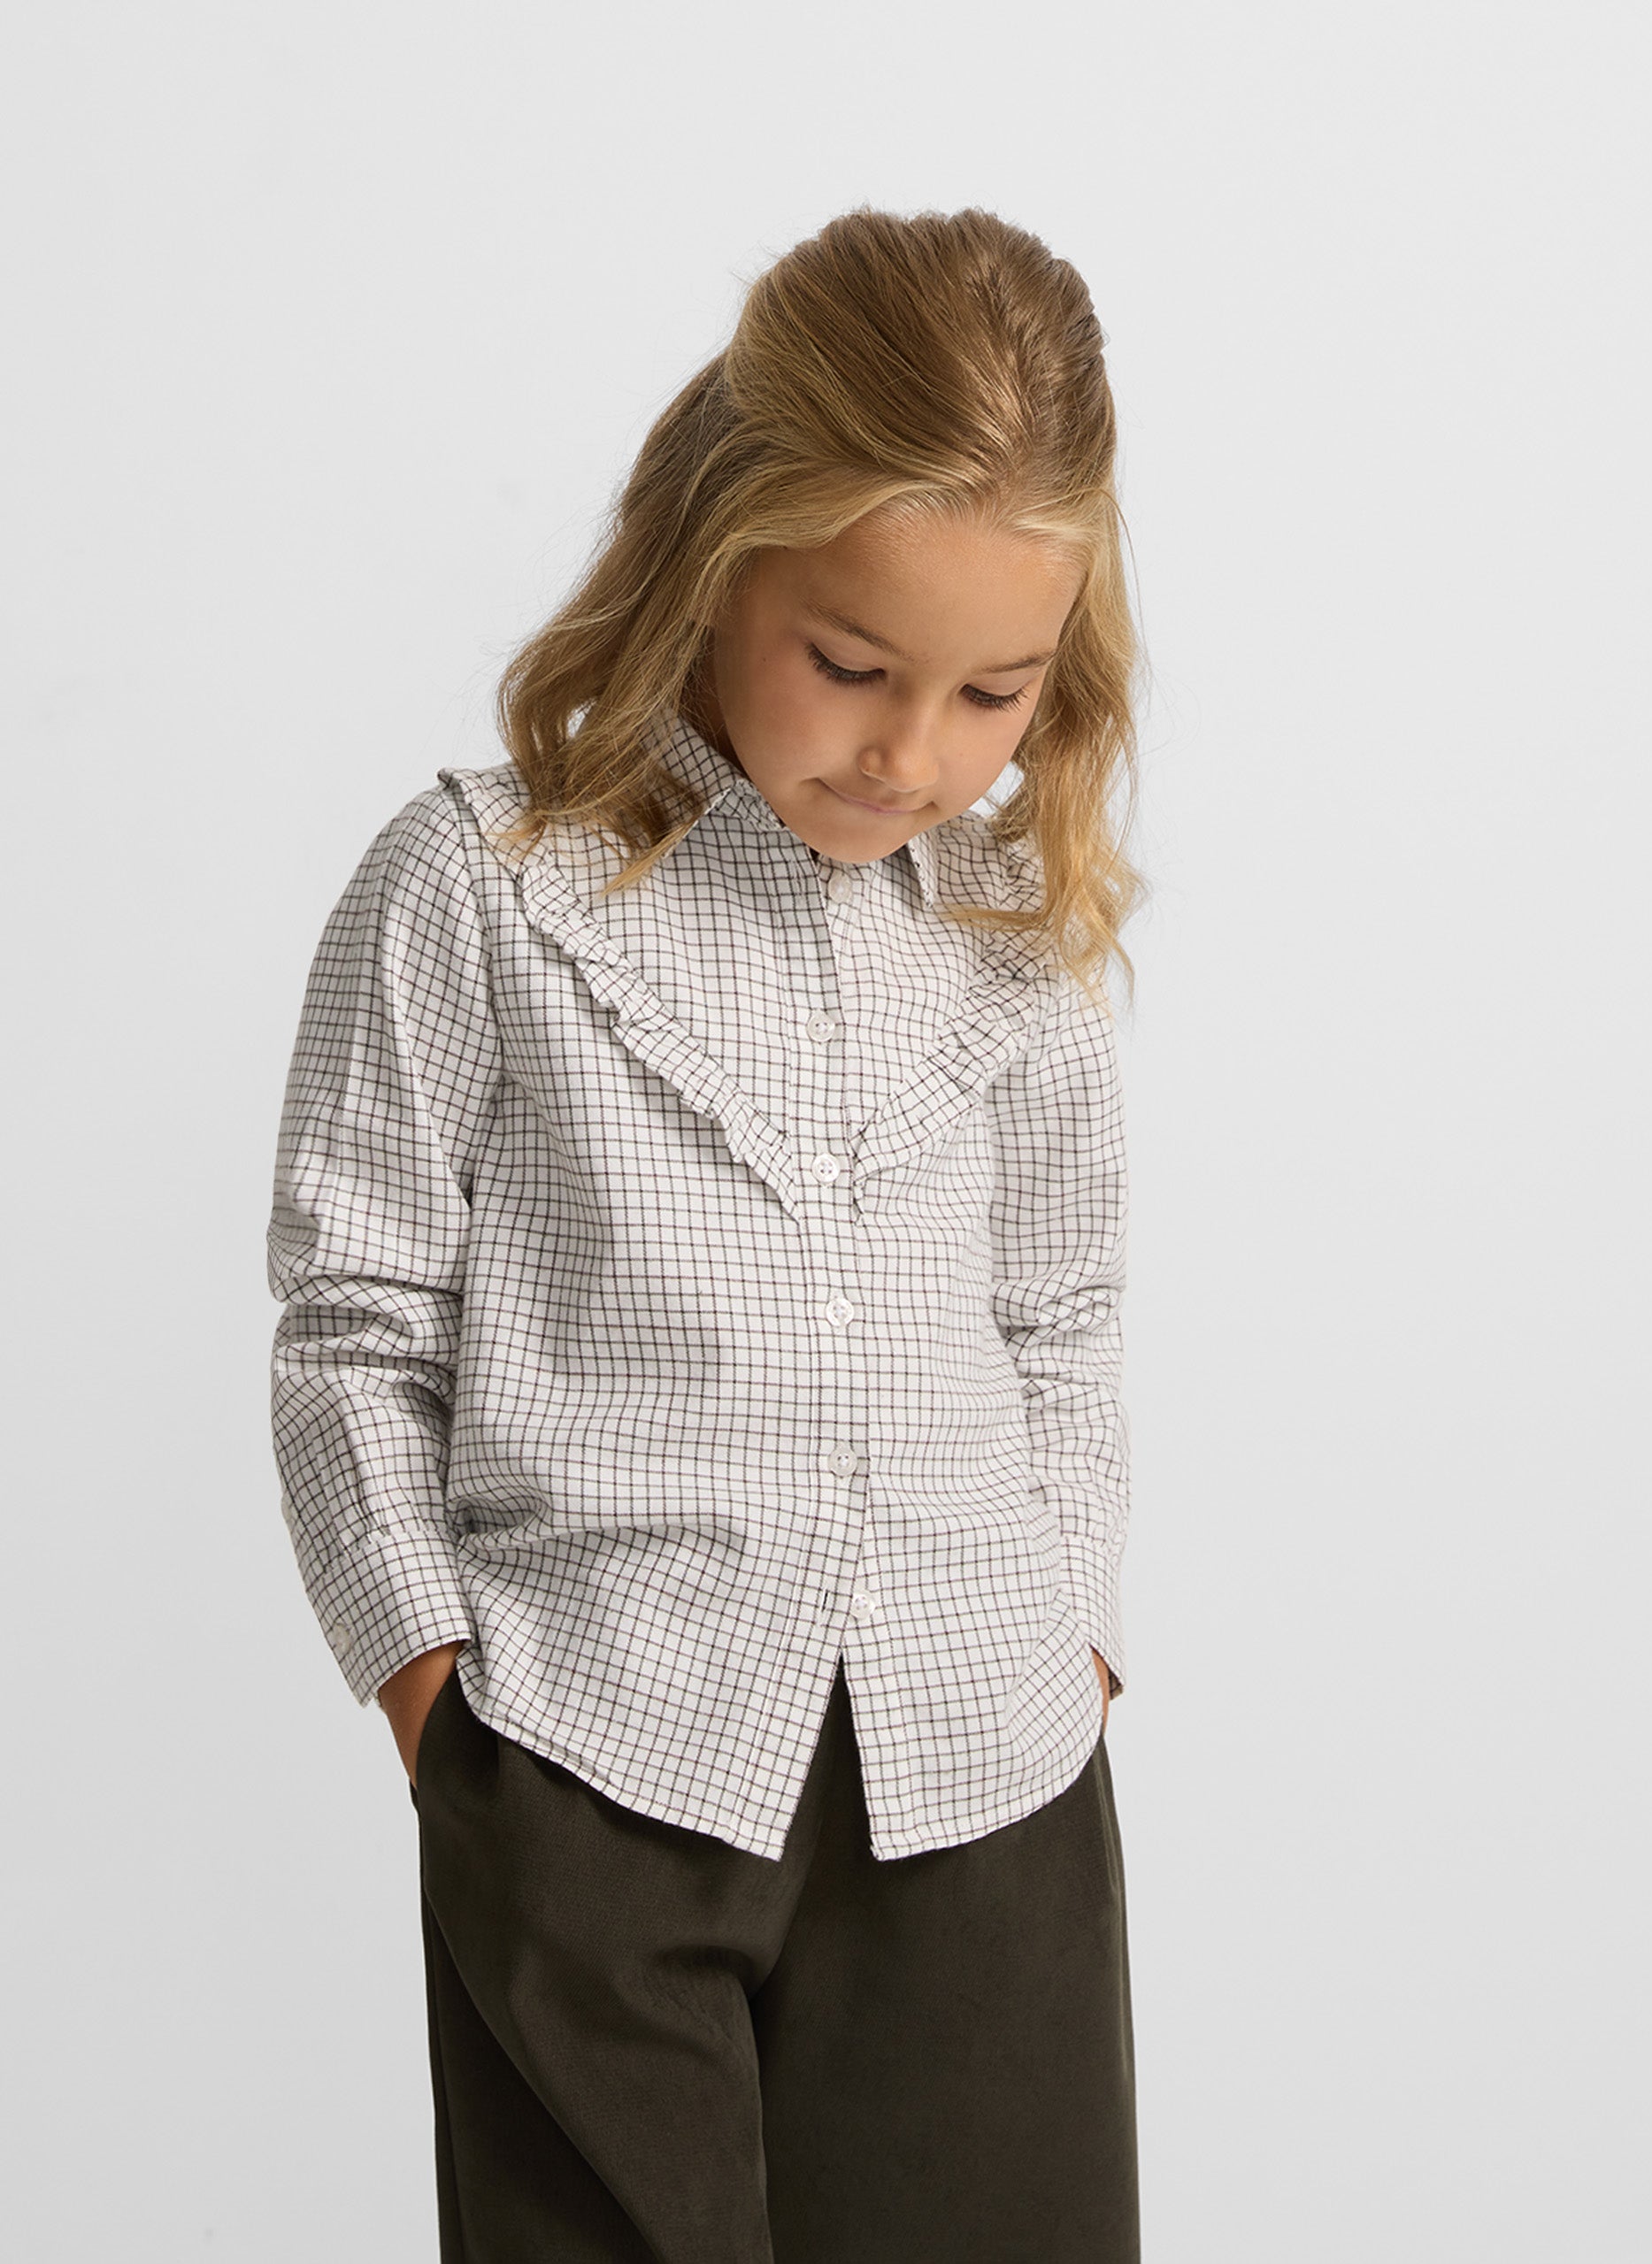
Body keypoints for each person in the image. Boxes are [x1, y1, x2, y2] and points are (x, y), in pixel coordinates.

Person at [266, 203, 1146, 2263]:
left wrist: (1076, 1629)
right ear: (716, 557)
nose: (912, 752)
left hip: (985, 1781)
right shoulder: (477, 888)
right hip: (594, 1767)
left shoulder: (1016, 938)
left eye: (993, 689)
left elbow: (1065, 1314)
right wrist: (439, 1706)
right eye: (850, 664)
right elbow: (356, 1319)